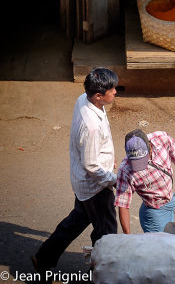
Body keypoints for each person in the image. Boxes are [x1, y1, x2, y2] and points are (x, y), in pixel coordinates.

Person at [32, 67, 119, 273]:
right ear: (99, 96)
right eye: (112, 89)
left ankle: (43, 258)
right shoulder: (91, 126)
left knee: (77, 221)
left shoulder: (84, 98)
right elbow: (91, 165)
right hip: (95, 187)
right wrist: (113, 179)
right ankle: (98, 273)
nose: (115, 92)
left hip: (82, 181)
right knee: (106, 232)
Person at [115, 129, 175, 233]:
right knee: (161, 247)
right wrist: (128, 236)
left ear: (150, 147)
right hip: (154, 212)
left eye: (143, 159)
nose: (141, 167)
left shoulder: (162, 139)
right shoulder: (125, 170)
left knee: (171, 240)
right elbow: (123, 205)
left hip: (170, 201)